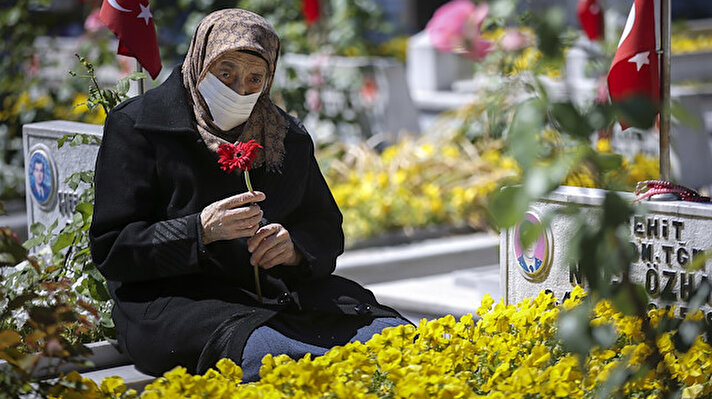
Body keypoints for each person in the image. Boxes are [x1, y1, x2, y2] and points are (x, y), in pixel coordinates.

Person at [89, 9, 408, 381]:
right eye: (226, 73)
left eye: (255, 78)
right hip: (178, 301)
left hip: (279, 296)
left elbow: (325, 228)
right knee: (276, 355)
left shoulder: (284, 136)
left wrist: (294, 249)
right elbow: (113, 249)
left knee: (389, 336)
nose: (240, 90)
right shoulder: (139, 126)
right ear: (199, 62)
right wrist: (199, 232)